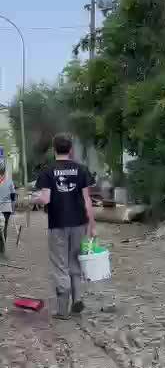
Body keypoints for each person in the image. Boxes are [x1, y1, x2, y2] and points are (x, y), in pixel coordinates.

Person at [34, 134, 96, 318]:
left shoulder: (48, 171)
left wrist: (33, 199)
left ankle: (62, 310)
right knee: (75, 261)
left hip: (58, 223)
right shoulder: (82, 170)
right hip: (79, 223)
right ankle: (77, 299)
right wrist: (92, 225)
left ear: (54, 150)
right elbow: (87, 200)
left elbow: (46, 199)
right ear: (71, 150)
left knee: (60, 265)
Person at [0, 162, 16, 254]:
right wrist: (13, 208)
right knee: (4, 227)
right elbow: (13, 196)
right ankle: (2, 249)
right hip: (6, 208)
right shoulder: (9, 181)